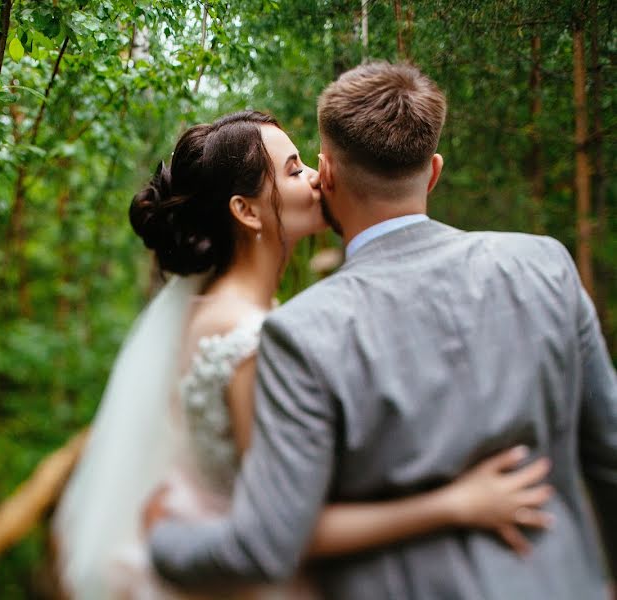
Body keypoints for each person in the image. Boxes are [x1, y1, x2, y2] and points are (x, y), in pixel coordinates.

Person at [147, 63, 617, 599]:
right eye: (292, 169)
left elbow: (266, 540)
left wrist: (162, 544)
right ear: (434, 171)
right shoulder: (546, 264)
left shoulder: (301, 331)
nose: (308, 180)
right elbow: (609, 451)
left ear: (331, 175)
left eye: (308, 166)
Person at [53, 109, 557, 599]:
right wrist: (456, 503)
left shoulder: (232, 311)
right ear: (246, 210)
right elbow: (288, 532)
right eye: (294, 170)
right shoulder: (247, 338)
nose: (318, 177)